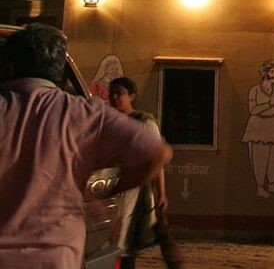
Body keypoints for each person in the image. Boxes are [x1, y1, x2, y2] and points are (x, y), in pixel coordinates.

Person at [0, 24, 172, 267]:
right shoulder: (85, 113)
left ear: (10, 66)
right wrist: (109, 191)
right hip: (56, 257)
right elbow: (157, 152)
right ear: (60, 71)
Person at [108, 76, 185, 269]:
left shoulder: (144, 122)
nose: (115, 97)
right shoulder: (108, 120)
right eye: (112, 92)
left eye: (120, 93)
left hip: (136, 190)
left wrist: (162, 193)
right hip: (114, 186)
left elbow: (157, 159)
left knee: (127, 238)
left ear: (132, 96)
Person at [242, 60, 274, 197]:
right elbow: (253, 110)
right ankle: (259, 186)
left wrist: (268, 105)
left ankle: (271, 184)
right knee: (259, 158)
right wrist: (270, 103)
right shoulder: (255, 90)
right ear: (265, 73)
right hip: (258, 126)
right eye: (273, 72)